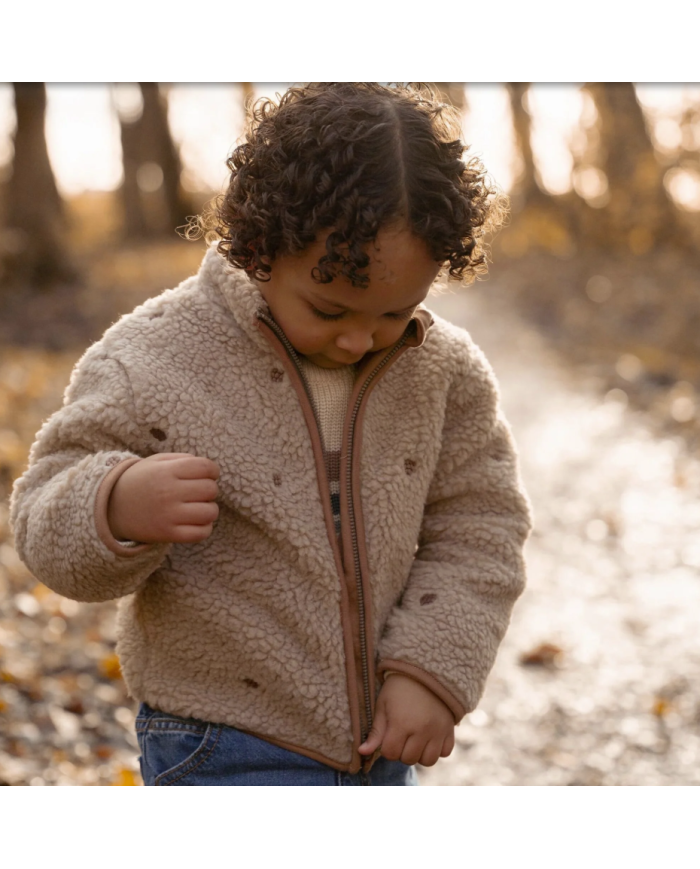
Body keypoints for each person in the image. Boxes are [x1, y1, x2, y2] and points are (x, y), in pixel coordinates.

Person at [10, 82, 531, 786]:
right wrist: (114, 502)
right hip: (218, 740)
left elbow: (482, 524)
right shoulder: (151, 358)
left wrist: (431, 669)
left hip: (383, 741)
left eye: (393, 313)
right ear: (259, 248)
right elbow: (40, 515)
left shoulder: (444, 372)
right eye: (329, 310)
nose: (359, 339)